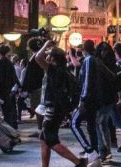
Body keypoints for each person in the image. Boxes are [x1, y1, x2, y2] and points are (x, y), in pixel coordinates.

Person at [33, 39, 86, 167]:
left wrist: (45, 44)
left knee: (50, 139)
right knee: (44, 138)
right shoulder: (64, 70)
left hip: (53, 108)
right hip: (58, 108)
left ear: (53, 58)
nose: (46, 55)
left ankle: (78, 163)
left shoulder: (54, 70)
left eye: (49, 54)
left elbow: (37, 57)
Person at [71, 40, 103, 166]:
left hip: (88, 99)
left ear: (84, 49)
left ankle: (90, 150)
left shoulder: (89, 60)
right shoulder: (94, 59)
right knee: (91, 125)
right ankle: (94, 152)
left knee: (74, 123)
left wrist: (83, 99)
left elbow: (87, 81)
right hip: (94, 98)